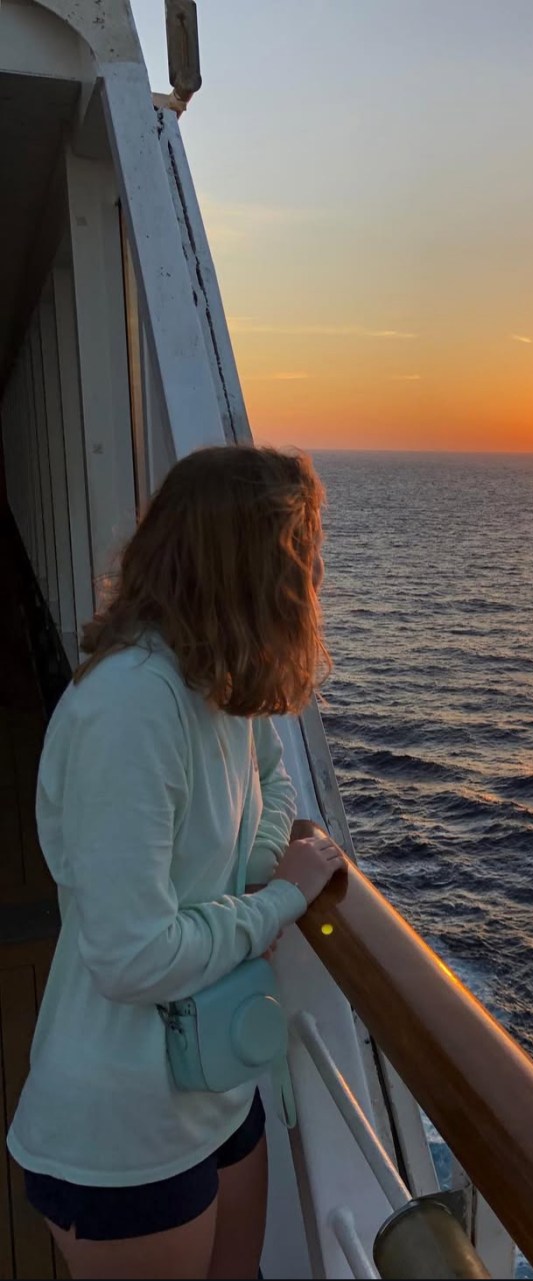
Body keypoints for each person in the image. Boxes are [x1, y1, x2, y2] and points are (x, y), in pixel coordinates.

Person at [7, 446, 344, 1279]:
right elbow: (131, 955)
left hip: (215, 1082)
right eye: (300, 552)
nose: (311, 577)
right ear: (249, 562)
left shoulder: (218, 676)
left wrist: (258, 875)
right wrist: (276, 905)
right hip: (123, 1127)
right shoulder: (131, 707)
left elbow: (269, 778)